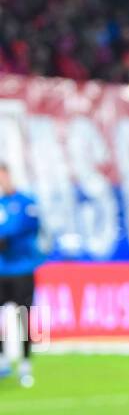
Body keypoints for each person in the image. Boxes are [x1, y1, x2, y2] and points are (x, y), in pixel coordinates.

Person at [0, 164, 41, 388]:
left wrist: (7, 238)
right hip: (1, 270)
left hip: (22, 270)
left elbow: (27, 229)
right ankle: (3, 360)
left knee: (23, 316)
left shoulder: (26, 202)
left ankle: (25, 363)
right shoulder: (1, 204)